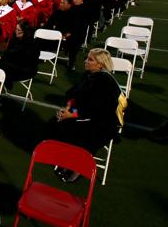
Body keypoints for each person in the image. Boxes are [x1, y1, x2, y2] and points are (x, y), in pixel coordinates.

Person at [49, 48, 121, 182]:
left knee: (77, 131)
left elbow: (95, 109)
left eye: (90, 59)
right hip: (84, 114)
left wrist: (71, 115)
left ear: (100, 64)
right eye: (87, 58)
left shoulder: (105, 82)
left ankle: (77, 167)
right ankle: (65, 159)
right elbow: (73, 93)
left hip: (101, 122)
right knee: (55, 122)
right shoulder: (89, 74)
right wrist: (68, 108)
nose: (86, 61)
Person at [0, 20, 40, 90]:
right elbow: (9, 53)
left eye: (19, 30)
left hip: (25, 69)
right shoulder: (15, 39)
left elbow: (23, 60)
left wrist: (3, 59)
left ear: (25, 32)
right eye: (16, 29)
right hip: (12, 65)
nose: (16, 32)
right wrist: (0, 57)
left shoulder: (32, 44)